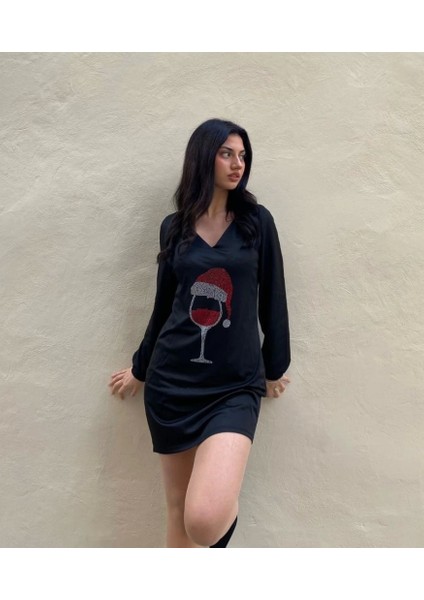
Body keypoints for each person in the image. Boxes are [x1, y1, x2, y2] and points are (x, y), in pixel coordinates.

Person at [108, 118, 291, 548]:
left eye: (242, 155)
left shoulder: (257, 222)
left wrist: (275, 365)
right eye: (227, 153)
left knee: (204, 519)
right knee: (177, 511)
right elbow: (164, 306)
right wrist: (141, 368)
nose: (238, 164)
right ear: (203, 157)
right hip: (172, 385)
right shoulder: (174, 227)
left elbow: (274, 297)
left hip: (234, 386)